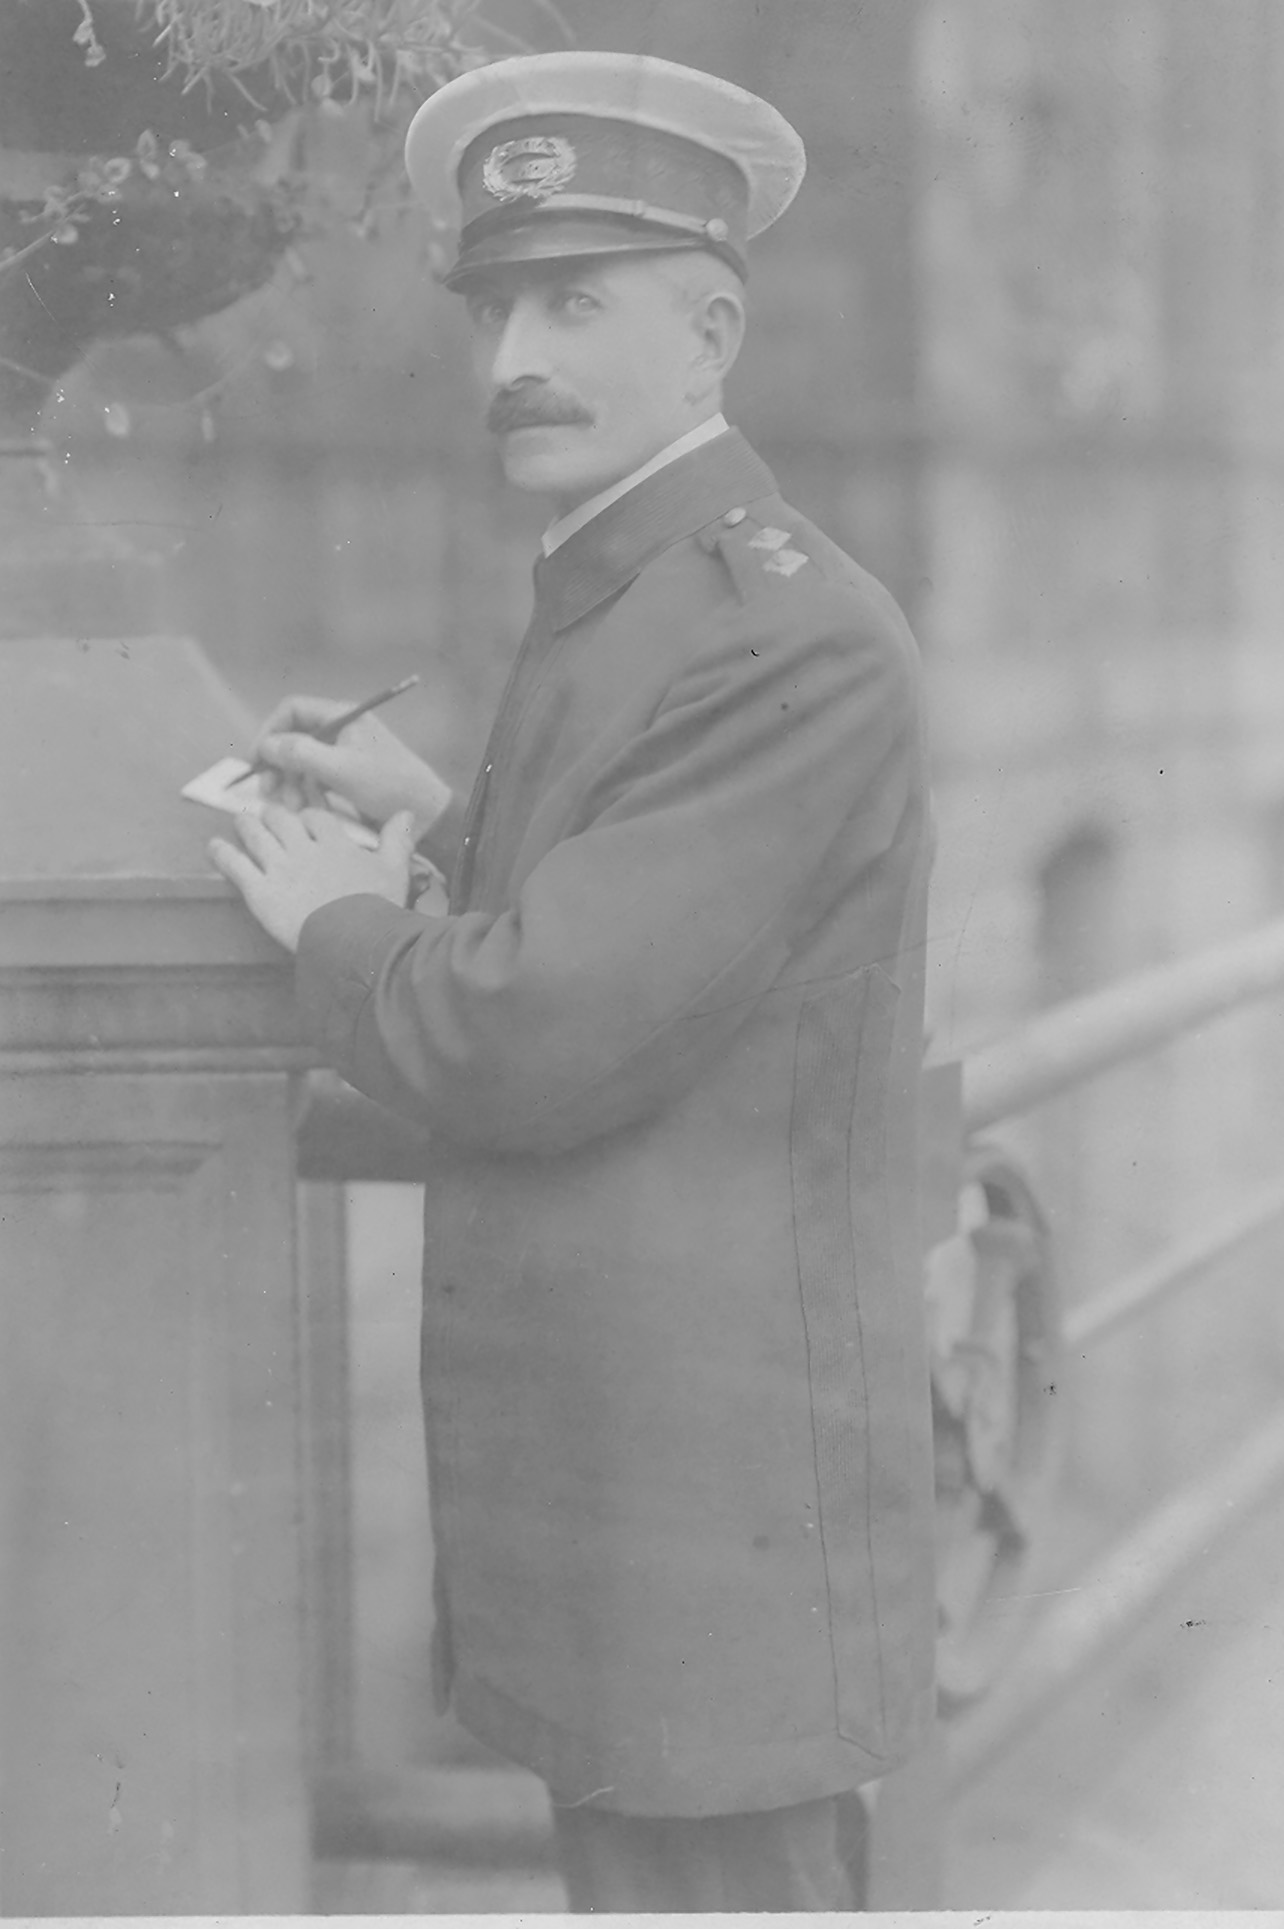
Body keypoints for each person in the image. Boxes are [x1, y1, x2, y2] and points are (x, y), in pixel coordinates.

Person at [211, 49, 938, 1914]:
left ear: (710, 335)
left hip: (715, 1515)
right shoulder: (635, 583)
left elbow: (532, 1028)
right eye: (499, 306)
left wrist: (337, 921)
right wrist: (434, 831)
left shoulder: (787, 628)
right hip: (631, 1492)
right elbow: (645, 915)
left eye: (575, 302)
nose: (511, 357)